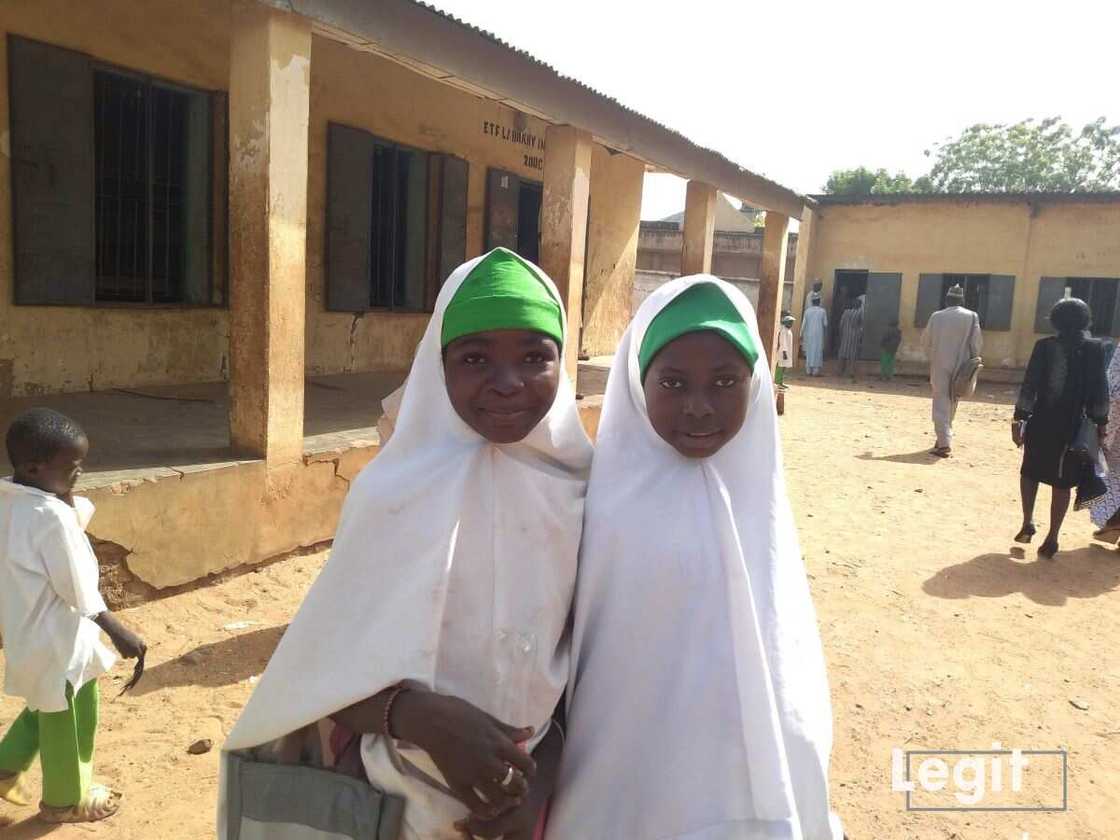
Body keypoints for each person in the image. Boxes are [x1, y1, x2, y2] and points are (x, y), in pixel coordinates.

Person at [219, 248, 593, 840]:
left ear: (562, 362)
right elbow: (317, 674)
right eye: (474, 358)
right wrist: (422, 720)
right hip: (394, 799)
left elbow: (592, 666)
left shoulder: (582, 493)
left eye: (533, 357)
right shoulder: (393, 495)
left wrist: (541, 778)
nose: (506, 382)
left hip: (527, 798)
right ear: (436, 370)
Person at [546, 276, 842, 840]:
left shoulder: (760, 498)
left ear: (755, 385)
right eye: (674, 382)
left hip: (746, 776)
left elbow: (783, 651)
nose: (700, 407)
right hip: (623, 774)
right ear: (638, 382)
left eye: (726, 381)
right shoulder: (602, 503)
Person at [0, 408, 146, 823]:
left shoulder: (12, 497)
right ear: (34, 466)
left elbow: (69, 514)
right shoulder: (50, 517)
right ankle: (65, 800)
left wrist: (61, 489)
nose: (79, 473)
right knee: (68, 716)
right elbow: (76, 585)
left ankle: (4, 767)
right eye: (71, 467)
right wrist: (118, 631)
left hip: (29, 632)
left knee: (47, 702)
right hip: (57, 634)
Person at [1013, 298, 1109, 559]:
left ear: (1054, 319)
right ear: (1085, 320)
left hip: (1042, 420)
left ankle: (1027, 521)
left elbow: (1029, 386)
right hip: (1075, 425)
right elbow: (1100, 390)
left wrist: (1019, 418)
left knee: (1030, 471)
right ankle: (1053, 536)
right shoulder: (1094, 349)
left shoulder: (1043, 347)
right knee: (1063, 481)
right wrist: (1100, 424)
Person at [922, 285, 982, 458]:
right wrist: (972, 361)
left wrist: (933, 357)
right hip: (963, 366)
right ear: (962, 300)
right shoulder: (971, 316)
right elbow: (976, 343)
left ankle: (943, 443)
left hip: (940, 364)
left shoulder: (936, 316)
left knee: (941, 401)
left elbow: (926, 342)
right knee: (953, 399)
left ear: (947, 300)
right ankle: (944, 437)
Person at [837, 295, 864, 379]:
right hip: (855, 336)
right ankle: (851, 372)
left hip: (845, 335)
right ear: (858, 305)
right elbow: (861, 325)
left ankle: (840, 371)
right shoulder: (859, 313)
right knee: (852, 355)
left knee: (843, 354)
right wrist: (861, 336)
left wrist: (841, 334)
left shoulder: (846, 312)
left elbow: (841, 324)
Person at [802, 293, 828, 376]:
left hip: (809, 335)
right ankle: (815, 372)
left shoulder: (807, 311)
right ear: (819, 302)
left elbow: (803, 324)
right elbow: (825, 324)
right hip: (819, 336)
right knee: (817, 351)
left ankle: (808, 371)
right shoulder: (822, 311)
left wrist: (801, 334)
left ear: (812, 302)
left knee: (809, 351)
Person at [776, 314, 796, 390]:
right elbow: (783, 342)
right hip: (783, 352)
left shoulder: (788, 330)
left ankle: (780, 381)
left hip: (787, 351)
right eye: (790, 322)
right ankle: (777, 382)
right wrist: (784, 353)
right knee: (780, 367)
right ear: (786, 322)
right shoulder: (783, 330)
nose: (791, 324)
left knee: (784, 367)